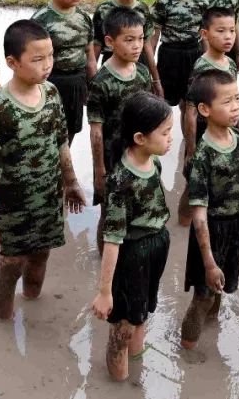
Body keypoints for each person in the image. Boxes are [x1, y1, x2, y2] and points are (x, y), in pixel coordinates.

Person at [0, 20, 87, 319]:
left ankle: (33, 308)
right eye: (37, 59)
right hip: (12, 209)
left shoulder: (51, 93)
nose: (47, 65)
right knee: (10, 266)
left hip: (48, 201)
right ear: (12, 62)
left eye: (51, 55)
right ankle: (3, 323)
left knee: (40, 258)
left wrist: (71, 182)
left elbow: (61, 141)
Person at [180, 70, 239, 350]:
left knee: (219, 289)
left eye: (238, 99)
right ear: (205, 109)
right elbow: (198, 216)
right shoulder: (202, 157)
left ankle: (210, 327)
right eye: (228, 102)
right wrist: (208, 262)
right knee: (204, 295)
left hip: (237, 226)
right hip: (210, 230)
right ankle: (187, 350)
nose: (237, 107)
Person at [90, 92, 174, 382]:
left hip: (155, 245)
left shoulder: (154, 162)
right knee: (123, 324)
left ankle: (137, 364)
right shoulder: (121, 182)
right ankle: (119, 381)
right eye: (165, 132)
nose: (170, 138)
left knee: (142, 310)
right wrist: (104, 292)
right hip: (132, 254)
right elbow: (112, 240)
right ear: (139, 137)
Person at [87, 7, 153, 253]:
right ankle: (105, 261)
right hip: (111, 157)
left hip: (137, 153)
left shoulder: (143, 74)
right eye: (129, 40)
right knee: (108, 210)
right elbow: (95, 130)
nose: (137, 46)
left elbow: (148, 117)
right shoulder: (101, 83)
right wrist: (99, 170)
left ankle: (127, 253)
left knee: (135, 205)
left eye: (140, 39)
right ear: (109, 41)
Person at [178, 6, 239, 226]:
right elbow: (191, 110)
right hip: (205, 132)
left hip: (224, 130)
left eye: (231, 31)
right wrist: (191, 150)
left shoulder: (230, 63)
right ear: (205, 34)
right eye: (221, 31)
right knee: (194, 184)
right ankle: (184, 221)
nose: (228, 37)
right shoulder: (202, 66)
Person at [31, 0, 95, 144]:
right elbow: (31, 60)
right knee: (45, 134)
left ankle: (64, 168)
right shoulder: (40, 20)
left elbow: (89, 56)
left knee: (70, 132)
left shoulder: (84, 18)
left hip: (77, 82)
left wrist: (93, 88)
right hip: (50, 83)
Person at [150, 0, 207, 152]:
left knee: (190, 104)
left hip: (194, 54)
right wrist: (153, 71)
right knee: (162, 103)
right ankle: (156, 147)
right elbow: (153, 38)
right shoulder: (163, 2)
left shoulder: (202, 3)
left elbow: (205, 36)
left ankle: (188, 148)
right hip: (170, 56)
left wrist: (208, 62)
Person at [91, 0, 162, 93]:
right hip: (112, 63)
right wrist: (92, 80)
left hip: (139, 63)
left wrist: (156, 79)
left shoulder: (142, 9)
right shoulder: (104, 10)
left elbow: (147, 44)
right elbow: (97, 45)